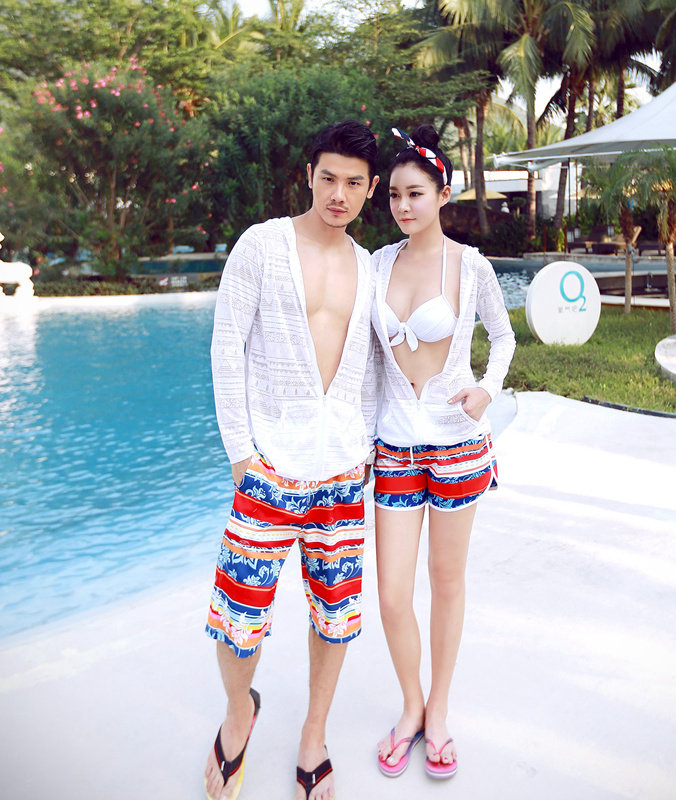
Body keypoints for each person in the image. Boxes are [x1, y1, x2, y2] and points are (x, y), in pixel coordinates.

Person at [204, 119, 380, 800]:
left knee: (334, 616)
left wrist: (365, 449)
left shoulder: (369, 266)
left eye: (353, 183)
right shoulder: (262, 245)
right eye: (328, 178)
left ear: (370, 189)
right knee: (239, 617)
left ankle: (313, 734)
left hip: (341, 470)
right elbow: (227, 346)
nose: (339, 194)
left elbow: (369, 368)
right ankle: (238, 712)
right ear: (309, 175)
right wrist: (240, 453)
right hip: (270, 467)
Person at [371, 125, 515, 780]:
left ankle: (439, 712)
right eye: (395, 195)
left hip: (457, 447)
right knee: (392, 594)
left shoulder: (470, 264)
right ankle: (410, 704)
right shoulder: (377, 264)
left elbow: (504, 338)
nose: (404, 206)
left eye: (416, 194)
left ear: (443, 195)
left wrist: (487, 388)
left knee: (447, 581)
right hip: (395, 448)